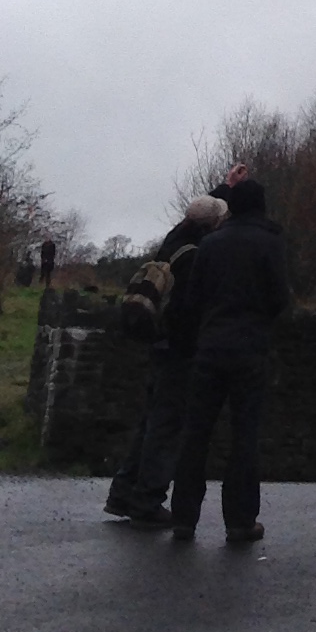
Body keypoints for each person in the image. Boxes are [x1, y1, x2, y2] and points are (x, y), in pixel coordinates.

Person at [167, 178, 289, 546]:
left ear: (232, 206)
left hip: (210, 347)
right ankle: (240, 521)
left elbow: (192, 299)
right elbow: (280, 298)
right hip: (250, 348)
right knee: (244, 435)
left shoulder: (211, 244)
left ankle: (184, 518)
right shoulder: (270, 242)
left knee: (196, 432)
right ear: (262, 205)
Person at [102, 195, 229, 527]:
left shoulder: (174, 243)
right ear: (213, 225)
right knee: (166, 427)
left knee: (150, 422)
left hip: (159, 344)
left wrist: (224, 188)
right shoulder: (197, 257)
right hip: (180, 350)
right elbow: (189, 311)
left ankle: (123, 493)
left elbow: (202, 215)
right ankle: (147, 501)